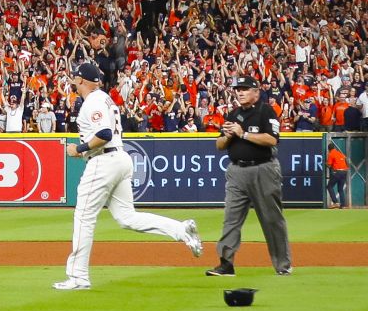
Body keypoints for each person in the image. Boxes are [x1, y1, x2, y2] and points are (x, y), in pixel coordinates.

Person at [59, 61, 202, 290]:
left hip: (103, 160)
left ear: (82, 80)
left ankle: (78, 277)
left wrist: (80, 149)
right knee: (127, 217)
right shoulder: (103, 98)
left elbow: (104, 133)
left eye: (76, 77)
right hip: (119, 159)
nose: (73, 80)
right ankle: (181, 229)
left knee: (84, 217)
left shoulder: (94, 100)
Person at [207, 76, 292, 277]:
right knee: (231, 219)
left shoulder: (265, 111)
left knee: (271, 219)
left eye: (245, 89)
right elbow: (219, 145)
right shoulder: (233, 113)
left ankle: (283, 265)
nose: (240, 92)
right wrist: (228, 135)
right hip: (236, 171)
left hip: (263, 169)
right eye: (238, 89)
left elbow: (272, 139)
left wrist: (242, 134)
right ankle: (226, 264)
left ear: (256, 92)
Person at [327, 141, 351, 209]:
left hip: (337, 172)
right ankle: (343, 205)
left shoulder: (331, 154)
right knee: (340, 189)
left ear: (329, 149)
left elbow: (329, 165)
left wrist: (325, 163)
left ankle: (335, 202)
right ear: (334, 148)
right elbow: (346, 160)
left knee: (329, 186)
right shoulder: (340, 153)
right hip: (344, 172)